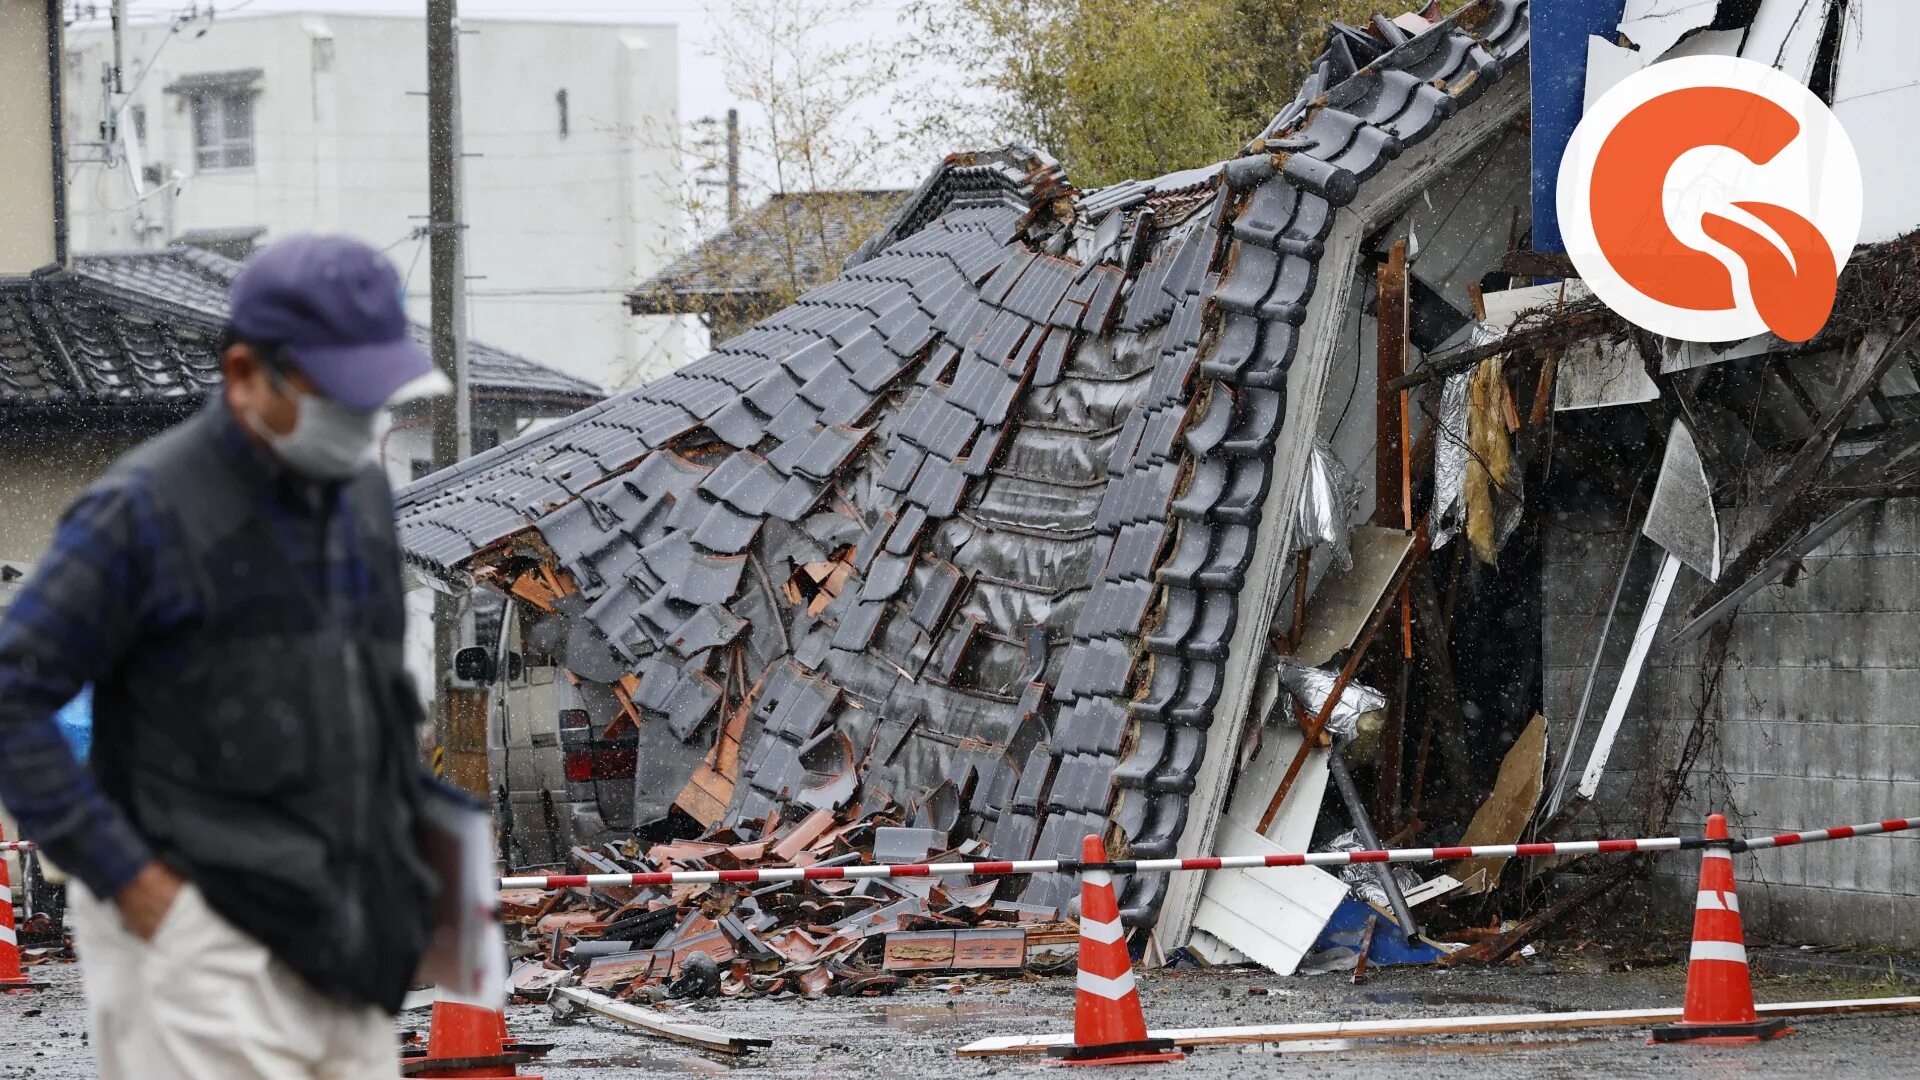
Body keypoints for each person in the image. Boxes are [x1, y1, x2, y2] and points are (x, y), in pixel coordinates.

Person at [0, 235, 452, 1079]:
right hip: (194, 917)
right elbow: (12, 693)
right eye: (340, 399)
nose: (366, 422)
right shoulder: (140, 514)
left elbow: (371, 687)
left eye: (377, 396)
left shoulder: (357, 493)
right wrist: (134, 885)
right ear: (246, 375)